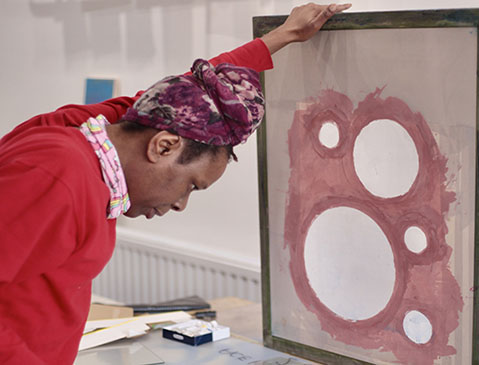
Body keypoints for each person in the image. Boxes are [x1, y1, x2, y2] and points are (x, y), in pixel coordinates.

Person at [0, 3, 351, 364]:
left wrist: (284, 35)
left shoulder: (84, 131)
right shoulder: (57, 175)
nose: (181, 204)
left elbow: (186, 93)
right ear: (163, 146)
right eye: (191, 186)